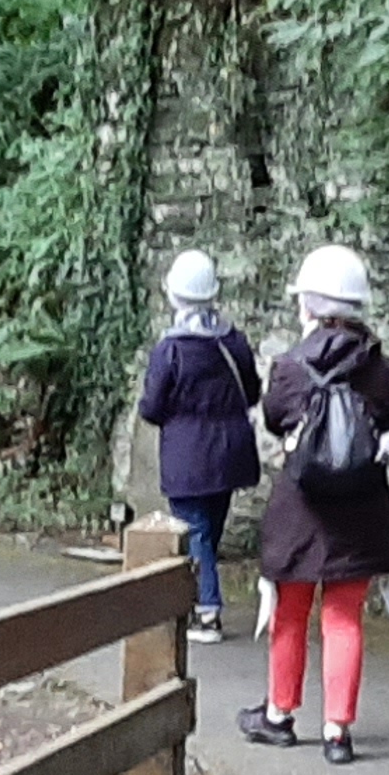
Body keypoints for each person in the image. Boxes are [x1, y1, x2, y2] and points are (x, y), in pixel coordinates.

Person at [245, 246, 389, 764]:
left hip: (302, 510)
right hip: (361, 509)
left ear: (310, 304)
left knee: (290, 614)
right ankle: (338, 731)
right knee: (344, 618)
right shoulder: (378, 368)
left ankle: (279, 714)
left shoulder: (290, 367)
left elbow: (272, 419)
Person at [136, 248, 265, 642]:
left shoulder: (170, 349)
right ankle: (201, 601)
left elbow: (152, 407)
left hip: (188, 456)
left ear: (174, 295)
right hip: (230, 453)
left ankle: (207, 613)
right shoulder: (233, 342)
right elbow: (253, 392)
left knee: (197, 534)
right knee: (208, 531)